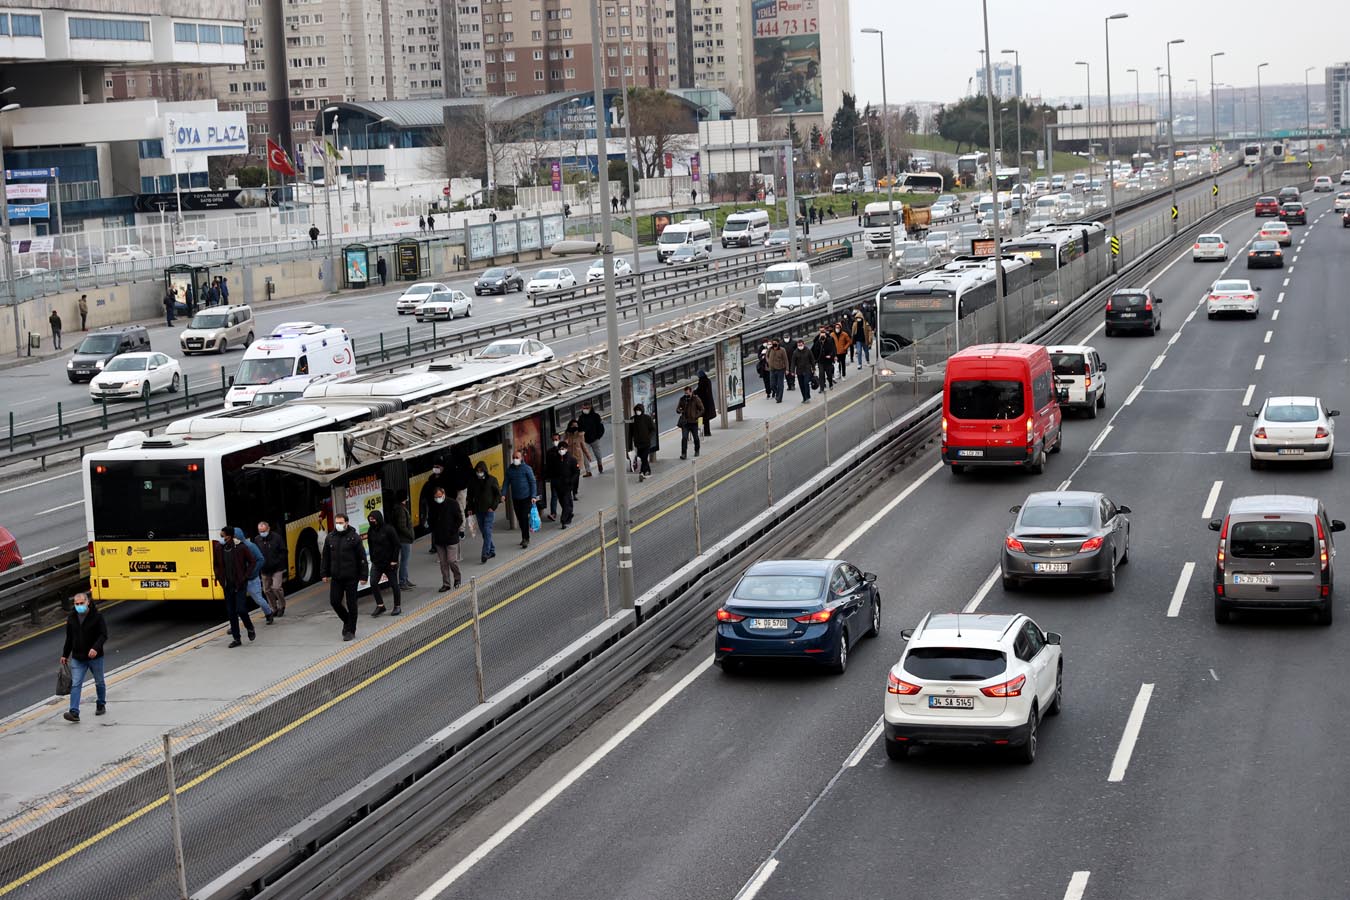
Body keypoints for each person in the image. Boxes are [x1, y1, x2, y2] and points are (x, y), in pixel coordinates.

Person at [60, 592, 107, 721]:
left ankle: (101, 703)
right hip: (78, 657)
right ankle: (74, 712)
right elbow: (69, 638)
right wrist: (65, 654)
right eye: (77, 604)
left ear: (88, 602)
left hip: (95, 658)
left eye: (81, 603)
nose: (79, 606)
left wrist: (95, 648)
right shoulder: (71, 618)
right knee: (76, 684)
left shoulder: (97, 616)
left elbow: (103, 635)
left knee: (99, 682)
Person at [321, 513, 367, 641]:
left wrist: (364, 575)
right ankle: (347, 620)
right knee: (334, 601)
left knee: (352, 604)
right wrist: (324, 573)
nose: (338, 525)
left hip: (351, 576)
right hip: (336, 577)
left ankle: (351, 630)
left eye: (341, 522)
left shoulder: (354, 538)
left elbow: (362, 558)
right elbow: (326, 557)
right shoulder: (330, 538)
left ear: (346, 523)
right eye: (337, 523)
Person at [214, 527, 256, 647]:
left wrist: (246, 576)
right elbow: (216, 565)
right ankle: (237, 639)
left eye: (223, 536)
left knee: (241, 609)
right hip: (227, 586)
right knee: (231, 612)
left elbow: (252, 562)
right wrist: (220, 578)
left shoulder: (241, 547)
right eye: (221, 536)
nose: (221, 539)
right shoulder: (218, 548)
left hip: (240, 584)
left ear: (230, 536)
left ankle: (250, 627)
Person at [235, 527, 274, 625]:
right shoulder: (233, 547)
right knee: (238, 604)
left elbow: (261, 559)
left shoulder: (250, 546)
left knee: (259, 600)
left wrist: (252, 572)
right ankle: (234, 625)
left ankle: (268, 614)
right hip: (240, 580)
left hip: (252, 579)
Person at [365, 509, 402, 616]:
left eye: (373, 519)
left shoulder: (389, 529)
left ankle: (397, 606)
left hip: (390, 563)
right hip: (377, 563)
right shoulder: (371, 530)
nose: (371, 521)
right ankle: (380, 605)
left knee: (394, 584)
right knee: (373, 582)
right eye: (370, 520)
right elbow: (370, 545)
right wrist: (372, 558)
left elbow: (397, 545)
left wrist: (394, 560)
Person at [427, 486, 463, 590]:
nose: (438, 498)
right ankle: (446, 583)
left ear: (444, 494)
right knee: (443, 563)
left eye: (439, 496)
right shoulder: (433, 505)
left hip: (451, 538)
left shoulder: (452, 503)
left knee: (451, 560)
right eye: (436, 497)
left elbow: (459, 519)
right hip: (439, 538)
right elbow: (430, 519)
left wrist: (453, 530)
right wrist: (433, 529)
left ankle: (457, 577)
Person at [466, 462, 501, 563]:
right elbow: (470, 496)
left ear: (485, 470)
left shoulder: (492, 480)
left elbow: (497, 495)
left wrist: (493, 507)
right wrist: (470, 508)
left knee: (487, 529)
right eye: (477, 471)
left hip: (489, 510)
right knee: (484, 532)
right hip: (478, 510)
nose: (479, 473)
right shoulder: (473, 482)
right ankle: (492, 550)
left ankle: (485, 553)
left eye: (481, 471)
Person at [504, 450, 539, 548]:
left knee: (523, 517)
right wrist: (503, 494)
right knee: (520, 518)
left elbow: (532, 482)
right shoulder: (510, 470)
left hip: (526, 498)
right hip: (516, 498)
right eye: (514, 457)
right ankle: (524, 535)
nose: (515, 459)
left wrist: (533, 496)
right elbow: (506, 482)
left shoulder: (527, 469)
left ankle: (525, 538)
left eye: (517, 457)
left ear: (521, 458)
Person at [253, 520, 288, 617]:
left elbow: (284, 551)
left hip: (277, 568)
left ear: (268, 529)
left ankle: (282, 606)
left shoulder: (277, 538)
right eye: (260, 531)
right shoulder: (257, 539)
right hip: (265, 569)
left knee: (276, 588)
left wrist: (278, 561)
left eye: (264, 530)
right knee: (267, 590)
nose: (262, 533)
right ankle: (273, 608)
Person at [390, 492, 416, 589]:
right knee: (404, 561)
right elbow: (402, 526)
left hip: (400, 538)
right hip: (404, 539)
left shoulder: (396, 508)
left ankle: (405, 579)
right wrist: (411, 535)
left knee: (404, 560)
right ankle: (402, 581)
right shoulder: (401, 510)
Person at [553, 441, 581, 527]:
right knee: (563, 502)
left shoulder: (572, 460)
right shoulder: (555, 459)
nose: (561, 451)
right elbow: (551, 471)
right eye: (559, 449)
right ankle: (569, 514)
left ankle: (563, 520)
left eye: (562, 449)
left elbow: (576, 472)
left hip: (567, 485)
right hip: (558, 486)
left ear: (566, 449)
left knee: (566, 502)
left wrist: (571, 481)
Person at [628, 403, 656, 481]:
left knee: (644, 457)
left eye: (639, 410)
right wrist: (629, 446)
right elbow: (630, 433)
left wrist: (648, 437)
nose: (638, 411)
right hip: (638, 443)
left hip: (646, 442)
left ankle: (641, 473)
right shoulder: (632, 419)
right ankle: (648, 470)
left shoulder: (647, 418)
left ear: (642, 410)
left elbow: (653, 429)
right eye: (637, 410)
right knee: (642, 458)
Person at [577, 401, 605, 476]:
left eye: (587, 408)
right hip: (585, 440)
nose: (585, 409)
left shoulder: (596, 416)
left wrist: (598, 436)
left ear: (590, 408)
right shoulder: (581, 418)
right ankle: (588, 471)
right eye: (583, 408)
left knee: (598, 454)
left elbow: (600, 427)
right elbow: (579, 429)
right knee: (585, 456)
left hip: (595, 439)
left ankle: (600, 464)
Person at [676, 385, 704, 460]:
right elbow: (677, 409)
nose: (686, 395)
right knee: (684, 438)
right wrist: (680, 410)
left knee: (696, 437)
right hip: (685, 422)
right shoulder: (682, 399)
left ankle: (697, 450)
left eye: (687, 393)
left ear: (691, 392)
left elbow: (702, 409)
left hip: (693, 422)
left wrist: (696, 416)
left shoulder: (696, 399)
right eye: (685, 393)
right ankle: (683, 453)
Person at [564, 419, 592, 493]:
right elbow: (564, 445)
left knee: (576, 476)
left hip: (578, 458)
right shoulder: (567, 434)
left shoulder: (580, 434)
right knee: (569, 475)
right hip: (569, 458)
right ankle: (570, 488)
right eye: (573, 426)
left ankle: (575, 490)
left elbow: (583, 446)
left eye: (576, 426)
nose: (575, 427)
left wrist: (588, 456)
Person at [543, 433, 564, 521]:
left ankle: (566, 511)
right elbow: (548, 464)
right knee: (554, 496)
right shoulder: (549, 452)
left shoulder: (563, 450)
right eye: (553, 440)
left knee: (563, 496)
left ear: (559, 440)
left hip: (563, 478)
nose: (555, 441)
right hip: (554, 477)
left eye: (556, 439)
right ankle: (553, 513)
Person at [695, 369, 717, 437]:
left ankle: (702, 432)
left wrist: (694, 392)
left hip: (703, 403)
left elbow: (699, 391)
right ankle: (707, 432)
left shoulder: (702, 382)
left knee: (701, 418)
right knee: (706, 419)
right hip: (708, 402)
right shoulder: (708, 380)